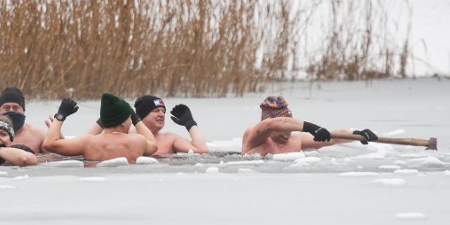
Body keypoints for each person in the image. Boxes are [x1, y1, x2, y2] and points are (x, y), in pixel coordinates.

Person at [241, 95, 378, 156]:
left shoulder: (296, 141)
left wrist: (357, 134)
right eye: (283, 130)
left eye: (290, 130)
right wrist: (313, 128)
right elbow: (271, 124)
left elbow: (334, 138)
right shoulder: (254, 136)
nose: (287, 133)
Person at [42, 93, 157, 163]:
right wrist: (136, 118)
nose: (131, 122)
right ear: (122, 123)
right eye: (130, 119)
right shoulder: (137, 141)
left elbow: (49, 143)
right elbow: (153, 143)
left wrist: (60, 116)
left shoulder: (88, 142)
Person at [132, 95, 208, 155]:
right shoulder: (129, 137)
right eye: (156, 111)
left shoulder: (170, 139)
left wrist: (190, 123)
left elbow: (202, 150)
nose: (162, 114)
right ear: (142, 115)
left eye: (163, 111)